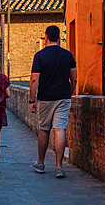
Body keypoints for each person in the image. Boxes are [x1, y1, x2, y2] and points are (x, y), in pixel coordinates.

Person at [29, 25, 77, 178]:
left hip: (46, 97)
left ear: (47, 37)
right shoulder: (68, 55)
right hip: (63, 96)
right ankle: (59, 167)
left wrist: (32, 100)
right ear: (59, 38)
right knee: (60, 129)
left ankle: (41, 163)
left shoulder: (40, 56)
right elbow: (74, 79)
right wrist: (68, 93)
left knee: (44, 129)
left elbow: (34, 80)